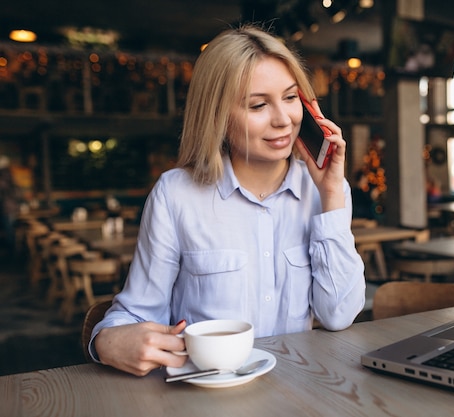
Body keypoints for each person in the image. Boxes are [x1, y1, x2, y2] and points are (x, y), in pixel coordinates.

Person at [90, 25, 366, 376]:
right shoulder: (176, 195)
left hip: (299, 391)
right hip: (205, 398)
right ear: (217, 116)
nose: (283, 120)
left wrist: (331, 194)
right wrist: (106, 341)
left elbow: (338, 314)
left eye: (292, 97)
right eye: (258, 105)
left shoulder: (327, 192)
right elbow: (138, 313)